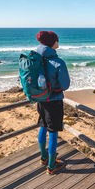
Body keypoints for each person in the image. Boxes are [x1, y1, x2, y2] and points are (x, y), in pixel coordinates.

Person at [35, 30, 70, 175]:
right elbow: (65, 85)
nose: (58, 42)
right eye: (57, 39)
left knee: (43, 125)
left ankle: (43, 157)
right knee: (54, 131)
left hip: (41, 99)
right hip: (54, 101)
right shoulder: (58, 62)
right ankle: (51, 165)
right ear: (52, 43)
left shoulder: (36, 59)